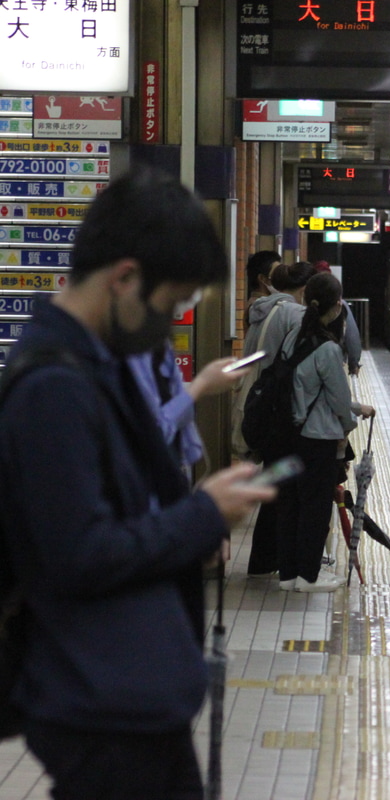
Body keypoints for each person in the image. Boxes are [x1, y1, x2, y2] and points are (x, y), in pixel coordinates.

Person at [0, 167, 275, 799]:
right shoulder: (53, 390)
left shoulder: (98, 367)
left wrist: (193, 525)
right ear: (123, 279)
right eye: (170, 302)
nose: (172, 321)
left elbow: (131, 507)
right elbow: (78, 555)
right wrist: (200, 516)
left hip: (127, 691)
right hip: (96, 701)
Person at [275, 272, 375, 592]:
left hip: (289, 433)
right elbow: (338, 400)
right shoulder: (329, 349)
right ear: (334, 309)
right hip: (318, 440)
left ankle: (288, 574)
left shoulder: (292, 338)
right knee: (315, 507)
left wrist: (354, 409)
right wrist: (350, 424)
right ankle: (308, 576)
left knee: (290, 503)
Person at [234, 260, 316, 576]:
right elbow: (297, 368)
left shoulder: (260, 310)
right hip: (280, 413)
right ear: (306, 289)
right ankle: (277, 560)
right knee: (285, 489)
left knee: (273, 481)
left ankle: (263, 560)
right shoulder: (293, 314)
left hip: (260, 405)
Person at [129, 337, 247, 479]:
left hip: (172, 464)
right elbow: (154, 431)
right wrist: (201, 385)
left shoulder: (162, 346)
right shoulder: (130, 357)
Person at [313, 260, 362, 375]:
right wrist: (354, 363)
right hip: (335, 362)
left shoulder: (305, 303)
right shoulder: (340, 305)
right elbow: (352, 336)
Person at [242, 249, 281, 331]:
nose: (280, 278)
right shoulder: (260, 306)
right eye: (276, 274)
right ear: (262, 278)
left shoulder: (264, 302)